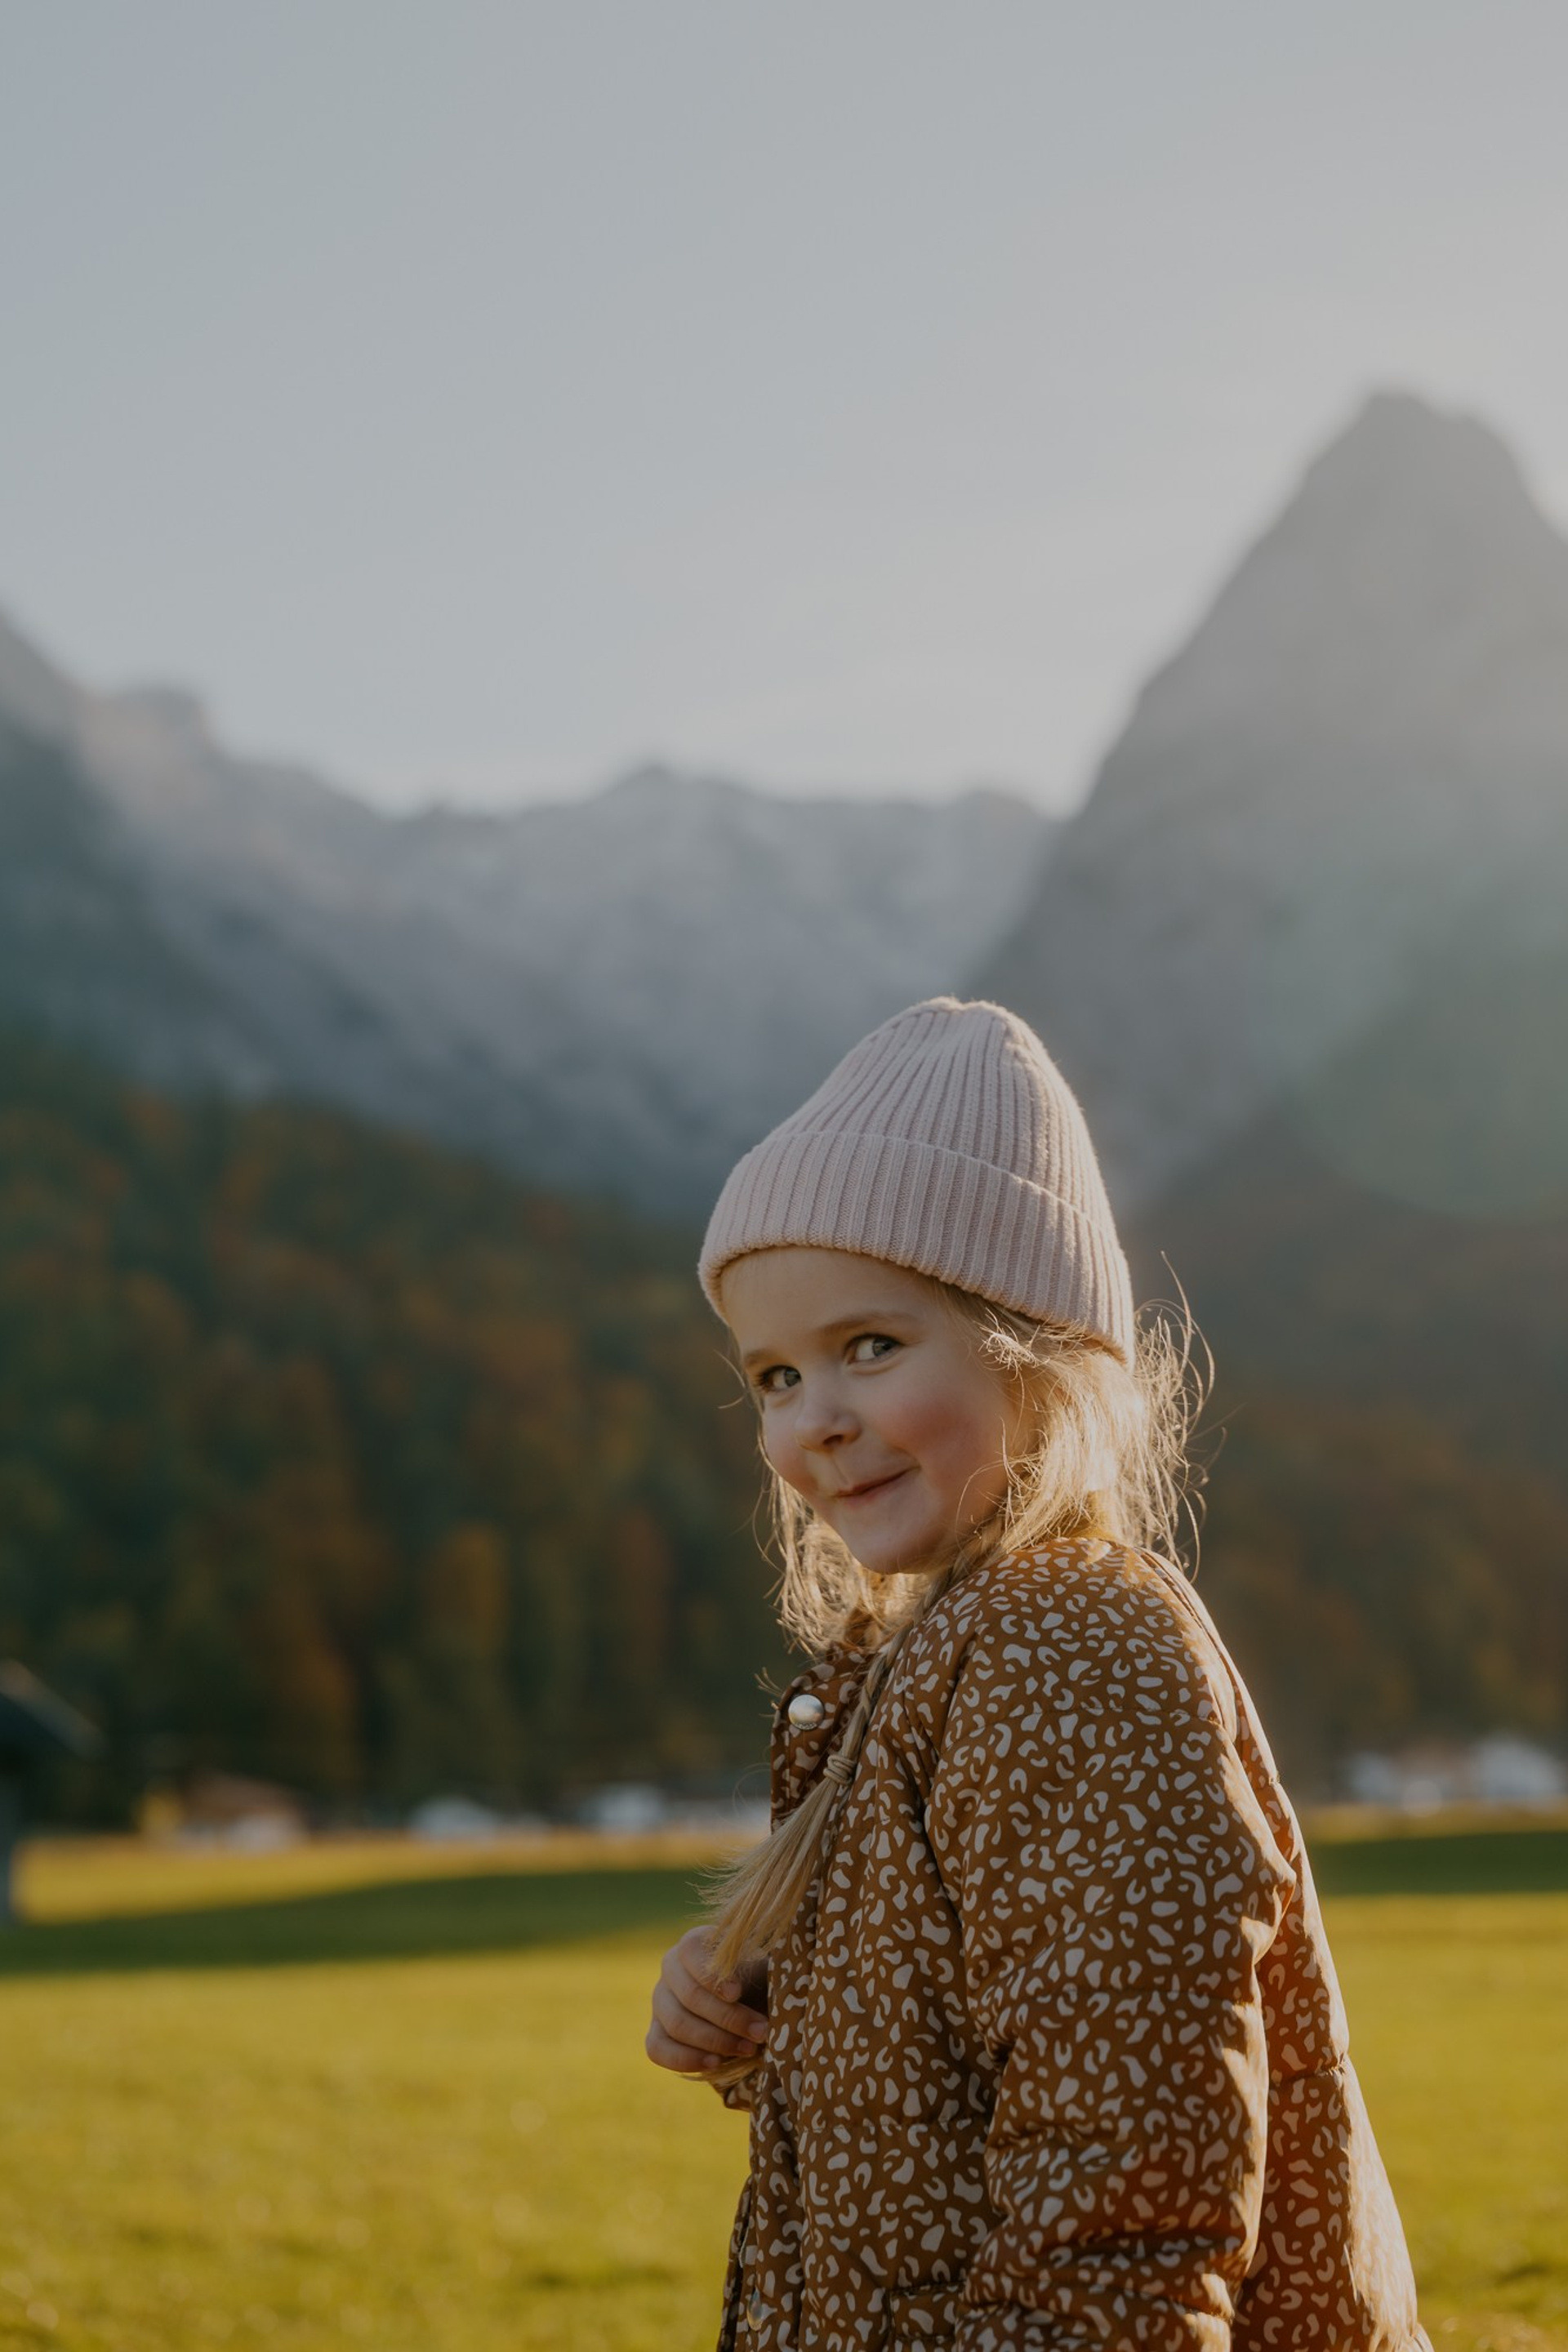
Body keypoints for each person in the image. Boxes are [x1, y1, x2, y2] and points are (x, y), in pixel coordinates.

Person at [646, 996, 1430, 2352]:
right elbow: (984, 2056)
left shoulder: (1068, 1647)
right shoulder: (943, 1646)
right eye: (773, 1376)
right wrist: (768, 1992)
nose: (813, 1420)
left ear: (1035, 1352)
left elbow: (1125, 2206)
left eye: (870, 1348)